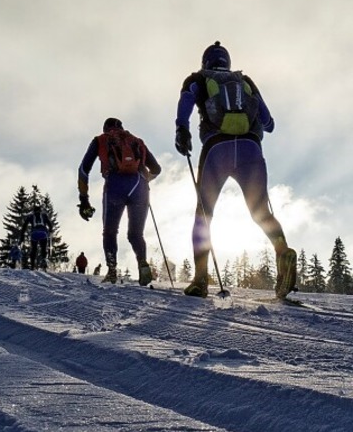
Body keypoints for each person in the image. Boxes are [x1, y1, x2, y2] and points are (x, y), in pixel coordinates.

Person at [175, 40, 296, 299]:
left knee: (203, 215)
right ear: (227, 62)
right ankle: (283, 251)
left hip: (216, 149)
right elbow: (269, 123)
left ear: (205, 62)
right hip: (251, 149)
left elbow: (186, 101)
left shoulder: (197, 79)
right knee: (260, 211)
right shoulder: (246, 82)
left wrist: (181, 129)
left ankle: (200, 280)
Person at [78, 117, 161, 284]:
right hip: (139, 186)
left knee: (110, 231)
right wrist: (145, 180)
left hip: (115, 185)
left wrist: (84, 199)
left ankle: (112, 270)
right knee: (136, 234)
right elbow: (156, 169)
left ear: (105, 129)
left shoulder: (100, 140)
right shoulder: (137, 141)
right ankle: (142, 263)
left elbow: (84, 169)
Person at [20, 203, 52, 270]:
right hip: (43, 233)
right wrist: (50, 230)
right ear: (40, 210)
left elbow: (24, 226)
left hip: (34, 233)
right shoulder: (44, 215)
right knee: (43, 248)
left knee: (34, 249)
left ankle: (32, 265)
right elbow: (50, 225)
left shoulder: (30, 216)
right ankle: (44, 260)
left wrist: (22, 235)